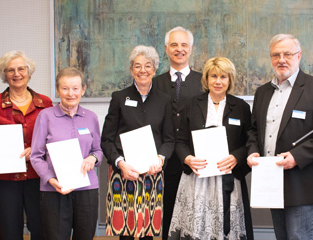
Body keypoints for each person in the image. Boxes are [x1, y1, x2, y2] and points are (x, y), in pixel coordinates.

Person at [246, 34, 313, 240]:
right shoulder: (262, 92)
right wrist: (253, 150)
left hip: (302, 180)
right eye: (276, 55)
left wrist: (297, 157)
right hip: (271, 179)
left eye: (287, 54)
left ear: (299, 56)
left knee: (299, 237)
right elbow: (254, 130)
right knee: (281, 237)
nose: (282, 59)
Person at [168, 57, 253, 240]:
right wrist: (187, 158)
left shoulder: (241, 107)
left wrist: (237, 157)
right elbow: (180, 140)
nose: (217, 81)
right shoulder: (191, 104)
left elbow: (250, 142)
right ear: (206, 78)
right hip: (197, 180)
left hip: (228, 178)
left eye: (223, 77)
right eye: (213, 76)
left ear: (230, 79)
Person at [102, 45, 174, 240]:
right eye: (138, 66)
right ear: (131, 69)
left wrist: (160, 159)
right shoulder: (119, 98)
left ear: (154, 69)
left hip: (152, 173)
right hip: (124, 173)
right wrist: (120, 163)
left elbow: (169, 140)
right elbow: (106, 139)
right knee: (126, 233)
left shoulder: (165, 100)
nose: (143, 70)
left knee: (147, 233)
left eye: (148, 66)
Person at [0, 50, 52, 240]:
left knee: (42, 228)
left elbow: (52, 139)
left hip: (39, 175)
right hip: (5, 177)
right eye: (10, 70)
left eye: (21, 69)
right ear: (4, 75)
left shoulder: (45, 103)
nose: (16, 74)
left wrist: (37, 150)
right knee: (9, 230)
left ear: (29, 72)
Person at [30, 67, 102, 239]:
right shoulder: (45, 116)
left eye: (75, 88)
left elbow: (98, 150)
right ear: (57, 90)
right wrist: (51, 180)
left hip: (87, 190)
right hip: (54, 190)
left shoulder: (91, 117)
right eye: (65, 88)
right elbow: (36, 156)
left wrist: (93, 158)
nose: (71, 93)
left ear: (83, 89)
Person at [151, 26, 203, 240]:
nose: (179, 49)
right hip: (165, 162)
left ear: (191, 49)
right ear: (166, 49)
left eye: (184, 45)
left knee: (197, 217)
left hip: (197, 161)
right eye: (174, 45)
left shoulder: (205, 82)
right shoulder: (154, 83)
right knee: (169, 217)